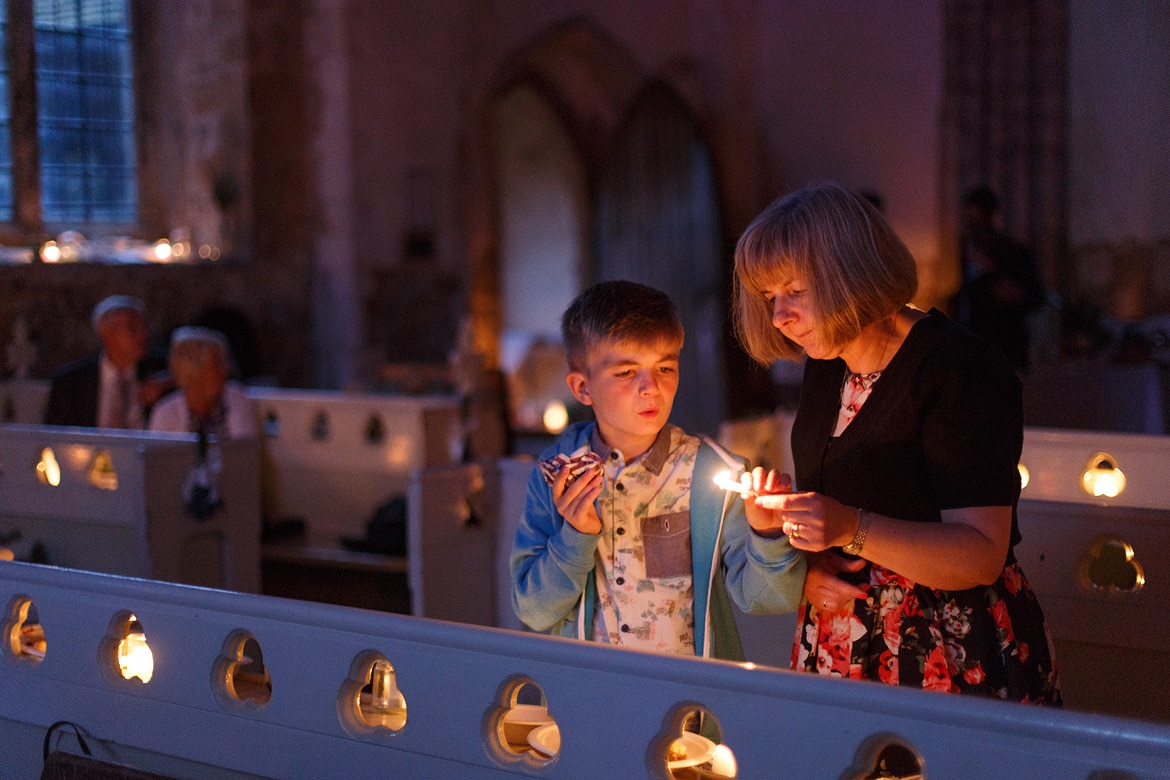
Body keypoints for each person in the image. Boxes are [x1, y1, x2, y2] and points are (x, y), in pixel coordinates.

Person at [731, 182, 1060, 703]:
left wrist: (848, 527)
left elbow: (979, 553)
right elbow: (835, 516)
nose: (778, 317)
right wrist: (809, 562)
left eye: (795, 290)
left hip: (946, 650)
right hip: (842, 645)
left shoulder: (959, 368)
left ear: (852, 269)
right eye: (769, 299)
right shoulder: (825, 366)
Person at [511, 280, 805, 660]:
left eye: (665, 367)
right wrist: (575, 535)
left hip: (688, 706)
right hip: (587, 697)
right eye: (626, 372)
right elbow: (533, 611)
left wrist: (767, 534)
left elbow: (769, 600)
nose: (651, 387)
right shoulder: (557, 477)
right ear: (582, 388)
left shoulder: (710, 474)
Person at [953, 185, 1045, 371]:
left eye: (977, 222)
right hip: (975, 345)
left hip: (1007, 345)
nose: (973, 229)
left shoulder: (1014, 252)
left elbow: (1036, 296)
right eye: (969, 222)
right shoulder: (965, 252)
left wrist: (1013, 292)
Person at [44, 295, 169, 428]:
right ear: (106, 332)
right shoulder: (71, 382)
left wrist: (167, 383)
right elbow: (55, 434)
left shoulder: (158, 371)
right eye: (133, 328)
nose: (143, 334)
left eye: (143, 327)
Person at [148, 326, 256, 439]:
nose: (225, 369)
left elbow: (244, 450)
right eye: (217, 363)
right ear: (193, 371)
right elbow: (160, 455)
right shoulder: (166, 413)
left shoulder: (236, 398)